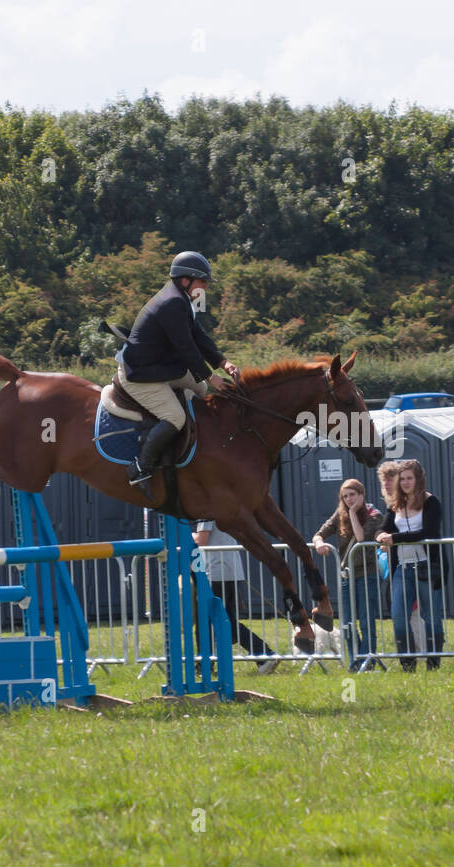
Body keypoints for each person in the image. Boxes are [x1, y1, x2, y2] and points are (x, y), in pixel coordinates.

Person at [117, 251, 240, 490]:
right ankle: (141, 467)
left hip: (162, 369)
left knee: (204, 391)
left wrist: (223, 362)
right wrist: (210, 376)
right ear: (186, 280)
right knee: (176, 417)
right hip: (140, 376)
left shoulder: (179, 298)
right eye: (202, 281)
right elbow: (186, 348)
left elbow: (198, 336)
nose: (205, 287)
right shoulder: (173, 302)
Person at [375, 459, 446, 671]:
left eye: (409, 478)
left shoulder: (431, 502)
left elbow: (428, 533)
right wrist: (381, 537)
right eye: (402, 479)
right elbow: (381, 529)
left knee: (431, 618)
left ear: (418, 479)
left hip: (427, 567)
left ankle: (433, 664)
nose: (405, 482)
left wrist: (394, 538)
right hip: (401, 569)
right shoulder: (394, 505)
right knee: (398, 617)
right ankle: (408, 665)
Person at [312, 479, 385, 672]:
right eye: (345, 496)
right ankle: (355, 661)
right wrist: (319, 542)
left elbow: (361, 538)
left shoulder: (374, 514)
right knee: (346, 623)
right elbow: (319, 533)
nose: (349, 499)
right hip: (346, 575)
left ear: (362, 494)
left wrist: (353, 512)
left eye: (353, 494)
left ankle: (366, 660)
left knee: (365, 619)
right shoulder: (339, 514)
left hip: (367, 574)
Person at [192, 520, 280, 674]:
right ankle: (205, 665)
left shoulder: (206, 512)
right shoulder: (225, 507)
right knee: (222, 620)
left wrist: (189, 536)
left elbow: (201, 541)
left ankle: (264, 654)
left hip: (215, 572)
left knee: (211, 622)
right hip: (229, 570)